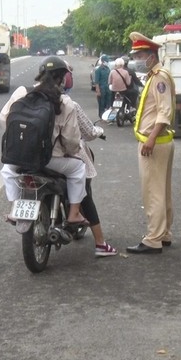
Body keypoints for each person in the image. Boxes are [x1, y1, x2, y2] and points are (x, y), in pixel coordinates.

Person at [0, 56, 89, 226]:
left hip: (21, 157)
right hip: (50, 160)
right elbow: (71, 141)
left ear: (40, 74)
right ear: (62, 79)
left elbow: (4, 119)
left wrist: (21, 142)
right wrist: (69, 152)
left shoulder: (21, 92)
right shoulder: (65, 102)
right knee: (78, 169)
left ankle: (14, 209)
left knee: (7, 171)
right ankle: (74, 214)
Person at [126, 32, 176, 254]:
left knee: (152, 192)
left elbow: (164, 112)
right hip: (158, 142)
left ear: (151, 55)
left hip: (153, 144)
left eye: (140, 55)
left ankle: (153, 239)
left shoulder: (159, 77)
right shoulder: (156, 75)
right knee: (162, 191)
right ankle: (163, 233)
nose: (137, 59)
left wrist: (151, 139)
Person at [72, 101, 118, 257]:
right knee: (84, 192)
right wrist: (99, 131)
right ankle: (100, 243)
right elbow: (89, 132)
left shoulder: (26, 97)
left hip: (32, 157)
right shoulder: (68, 103)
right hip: (64, 156)